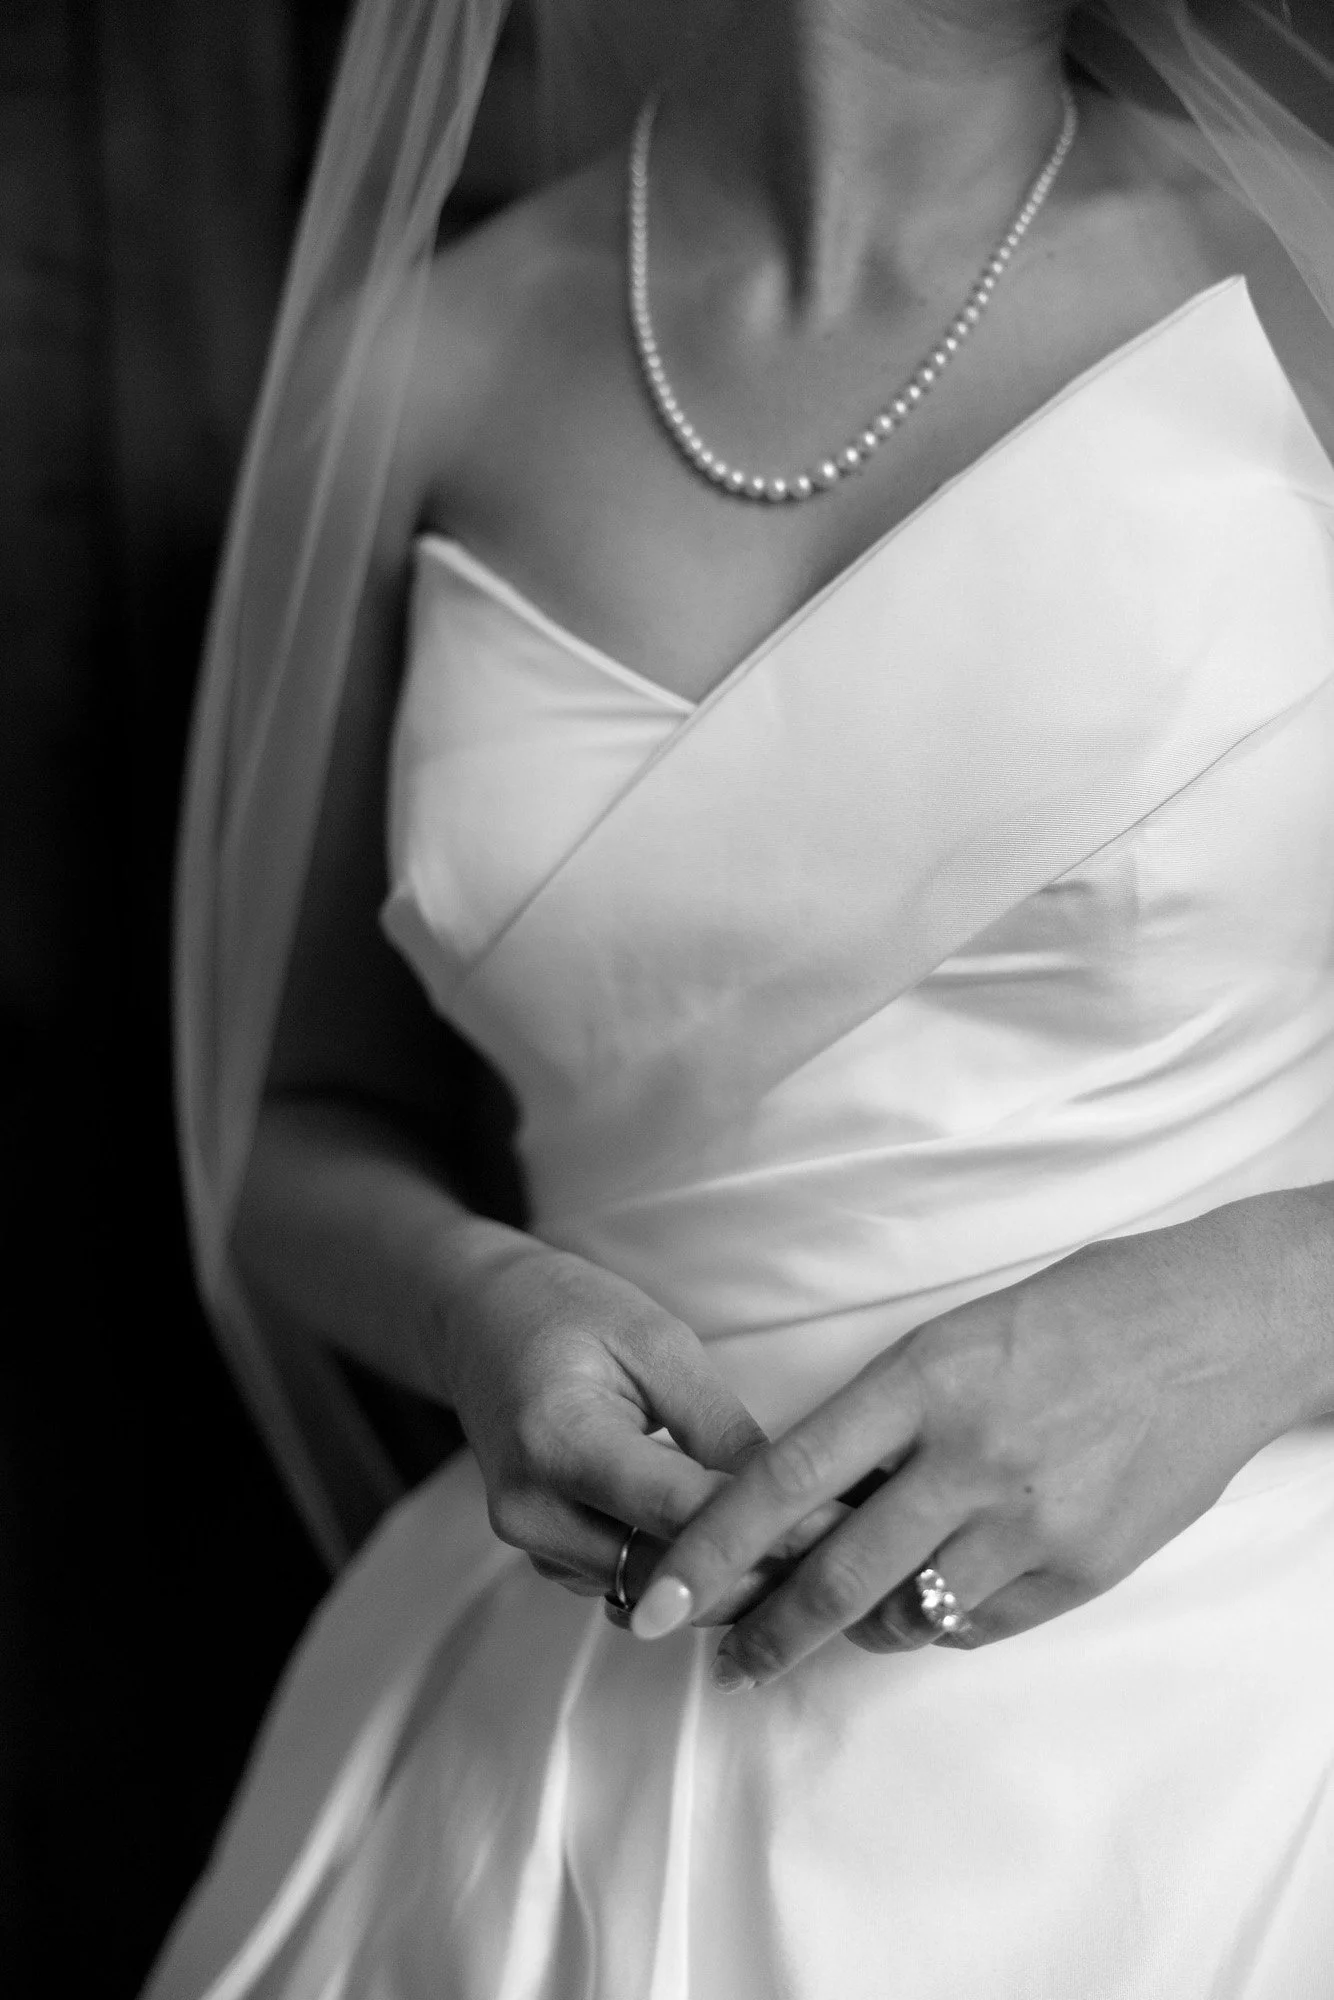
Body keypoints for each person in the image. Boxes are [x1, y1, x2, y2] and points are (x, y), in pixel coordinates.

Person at [146, 2, 1334, 1994]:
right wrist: (476, 1306)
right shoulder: (400, 379)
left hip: (1249, 1700)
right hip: (594, 1708)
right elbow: (275, 1115)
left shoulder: (1302, 281)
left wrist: (1250, 1317)